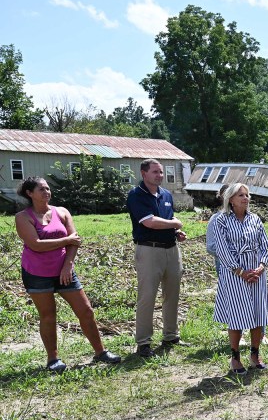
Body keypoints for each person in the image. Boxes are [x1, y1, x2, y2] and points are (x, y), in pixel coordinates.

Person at [15, 177, 121, 371]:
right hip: (37, 273)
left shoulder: (62, 212)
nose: (46, 192)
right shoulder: (23, 217)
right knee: (48, 316)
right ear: (30, 193)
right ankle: (53, 360)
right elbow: (36, 245)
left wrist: (68, 265)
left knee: (86, 311)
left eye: (48, 188)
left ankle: (100, 352)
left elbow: (76, 240)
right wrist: (67, 240)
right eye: (41, 189)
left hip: (64, 270)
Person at [126, 158, 186, 357]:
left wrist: (176, 232)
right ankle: (144, 342)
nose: (160, 175)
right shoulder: (136, 195)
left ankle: (171, 335)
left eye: (161, 172)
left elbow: (167, 220)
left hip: (171, 249)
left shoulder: (166, 194)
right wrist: (175, 224)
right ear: (144, 174)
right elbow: (149, 222)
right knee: (147, 296)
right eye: (155, 172)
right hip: (149, 251)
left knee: (172, 294)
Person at [213, 183, 268, 375]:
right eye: (240, 195)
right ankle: (235, 357)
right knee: (237, 317)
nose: (245, 198)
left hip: (257, 274)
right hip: (235, 275)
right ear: (230, 199)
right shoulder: (221, 220)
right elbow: (221, 249)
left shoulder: (255, 219)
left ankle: (255, 354)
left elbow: (266, 246)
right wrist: (240, 271)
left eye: (247, 195)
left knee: (257, 315)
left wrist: (261, 267)